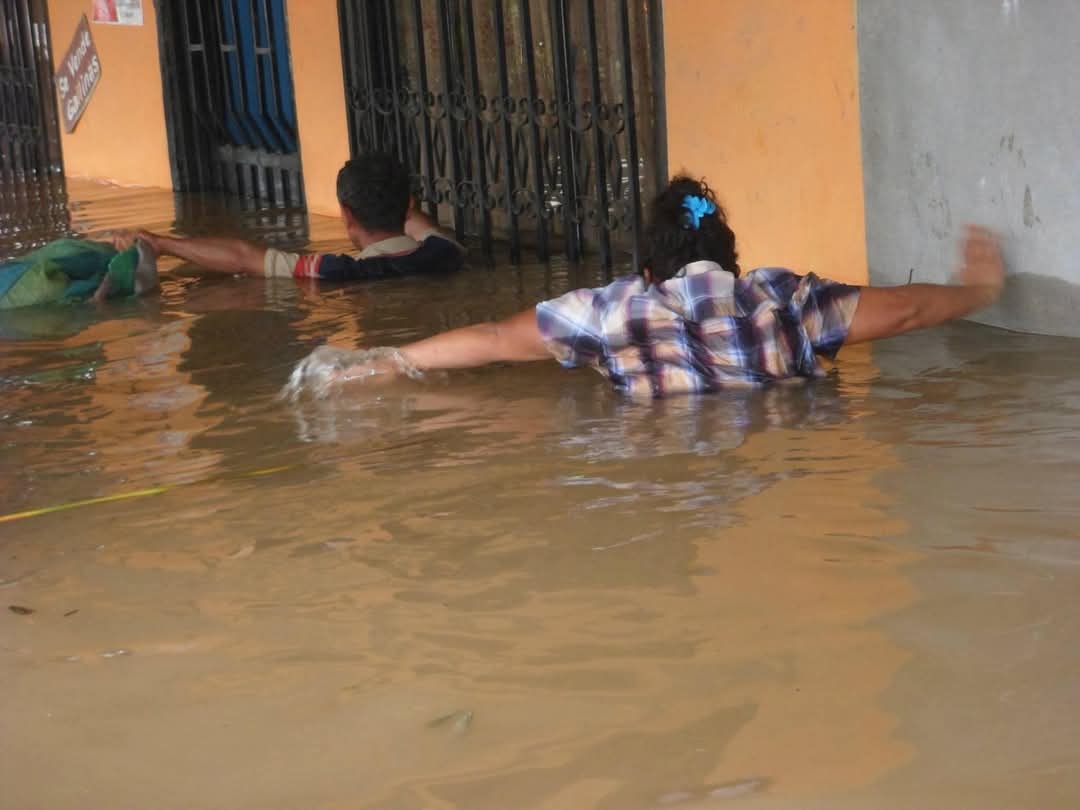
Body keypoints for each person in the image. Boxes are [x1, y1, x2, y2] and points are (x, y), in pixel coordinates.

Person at [289, 175, 1006, 399]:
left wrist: (385, 360)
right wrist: (978, 290)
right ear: (730, 257)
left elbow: (494, 339)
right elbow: (906, 309)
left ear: (649, 266)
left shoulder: (613, 310)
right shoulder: (783, 299)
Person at [115, 153, 464, 282]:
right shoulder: (445, 253)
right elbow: (423, 228)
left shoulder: (336, 271)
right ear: (409, 205)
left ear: (346, 215)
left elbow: (243, 257)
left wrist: (161, 244)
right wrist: (398, 202)